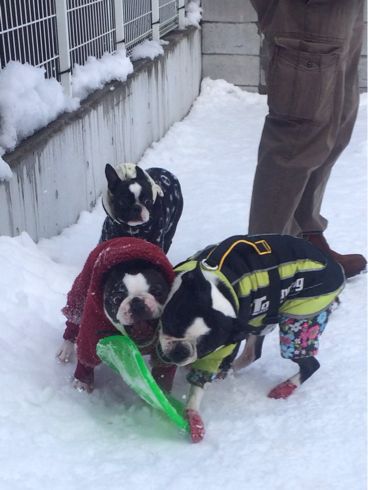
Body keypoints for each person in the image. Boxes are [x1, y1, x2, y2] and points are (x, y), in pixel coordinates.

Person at [248, 0, 367, 278]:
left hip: (341, 13)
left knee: (335, 127)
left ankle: (304, 238)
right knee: (298, 137)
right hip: (308, 11)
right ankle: (266, 264)